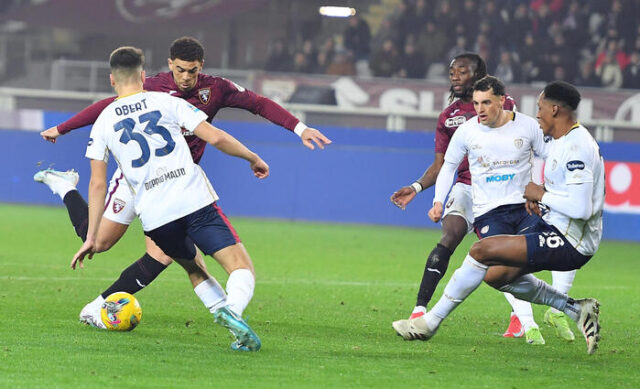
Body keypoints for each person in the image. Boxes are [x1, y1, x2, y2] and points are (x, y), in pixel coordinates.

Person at [35, 36, 332, 328]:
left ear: (201, 66)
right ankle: (64, 186)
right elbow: (106, 108)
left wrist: (299, 127)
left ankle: (102, 305)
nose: (187, 77)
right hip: (133, 181)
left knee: (164, 255)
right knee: (97, 242)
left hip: (174, 187)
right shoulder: (153, 90)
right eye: (180, 70)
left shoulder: (215, 88)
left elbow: (258, 103)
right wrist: (62, 128)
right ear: (168, 65)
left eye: (193, 71)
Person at [74, 46, 269, 351]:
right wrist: (252, 157)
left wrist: (90, 237)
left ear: (112, 80)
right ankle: (233, 311)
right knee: (241, 267)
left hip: (156, 218)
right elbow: (215, 137)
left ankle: (236, 330)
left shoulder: (103, 122)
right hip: (192, 201)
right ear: (143, 75)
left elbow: (98, 184)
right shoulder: (166, 102)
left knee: (194, 267)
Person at [392, 81, 603, 355]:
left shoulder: (576, 147)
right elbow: (449, 165)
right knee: (495, 276)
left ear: (554, 110)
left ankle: (428, 323)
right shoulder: (564, 141)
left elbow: (582, 209)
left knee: (481, 250)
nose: (537, 114)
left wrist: (540, 194)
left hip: (570, 240)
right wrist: (541, 195)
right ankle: (575, 308)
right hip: (547, 225)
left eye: (540, 108)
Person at [391, 55, 553, 344]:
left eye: (462, 71)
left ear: (478, 75)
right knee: (451, 235)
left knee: (500, 254)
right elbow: (443, 164)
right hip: (466, 188)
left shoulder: (504, 106)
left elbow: (532, 148)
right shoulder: (449, 117)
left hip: (500, 193)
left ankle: (524, 318)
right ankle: (419, 310)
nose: (454, 76)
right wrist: (419, 189)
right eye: (451, 71)